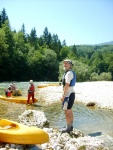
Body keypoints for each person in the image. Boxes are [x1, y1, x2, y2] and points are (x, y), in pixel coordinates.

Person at [60, 59, 76, 133]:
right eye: (64, 63)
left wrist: (63, 95)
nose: (64, 65)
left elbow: (67, 84)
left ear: (70, 65)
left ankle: (68, 128)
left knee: (67, 111)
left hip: (68, 95)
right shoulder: (70, 72)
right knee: (69, 110)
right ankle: (70, 126)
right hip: (71, 94)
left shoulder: (69, 73)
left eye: (66, 63)